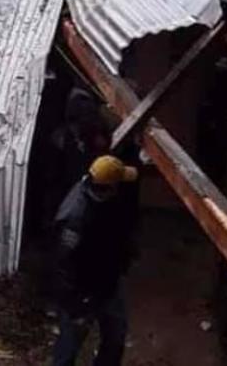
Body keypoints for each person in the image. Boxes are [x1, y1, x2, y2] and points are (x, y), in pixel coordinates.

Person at [52, 155, 140, 366]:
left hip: (107, 282)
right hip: (81, 293)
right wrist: (76, 306)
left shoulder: (100, 195)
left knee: (115, 337)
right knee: (68, 349)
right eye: (119, 183)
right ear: (109, 188)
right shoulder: (75, 218)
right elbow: (63, 264)